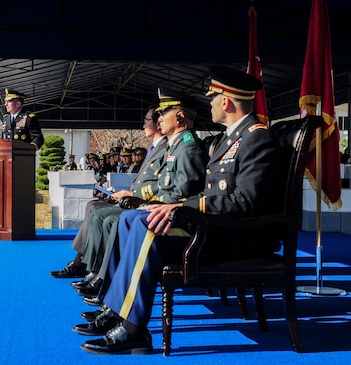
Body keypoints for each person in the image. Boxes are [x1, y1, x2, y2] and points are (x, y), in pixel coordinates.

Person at [79, 66, 281, 355]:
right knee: (132, 219)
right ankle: (116, 309)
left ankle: (134, 329)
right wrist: (176, 206)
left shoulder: (256, 138)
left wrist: (182, 206)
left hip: (238, 233)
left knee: (146, 226)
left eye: (213, 98)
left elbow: (245, 201)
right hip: (215, 224)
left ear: (226, 102)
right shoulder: (229, 138)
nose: (209, 103)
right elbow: (212, 192)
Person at [74, 88, 208, 299]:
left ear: (180, 116)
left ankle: (111, 288)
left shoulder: (188, 147)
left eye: (164, 113)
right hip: (161, 208)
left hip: (177, 218)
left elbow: (182, 193)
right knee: (114, 218)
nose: (160, 118)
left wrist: (149, 203)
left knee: (120, 220)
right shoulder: (176, 147)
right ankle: (107, 284)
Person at [50, 103, 168, 278]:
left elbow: (160, 184)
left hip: (144, 203)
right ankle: (81, 261)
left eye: (146, 120)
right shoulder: (155, 147)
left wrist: (131, 194)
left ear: (158, 122)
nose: (143, 125)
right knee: (92, 205)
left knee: (100, 215)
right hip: (135, 198)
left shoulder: (165, 147)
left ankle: (91, 267)